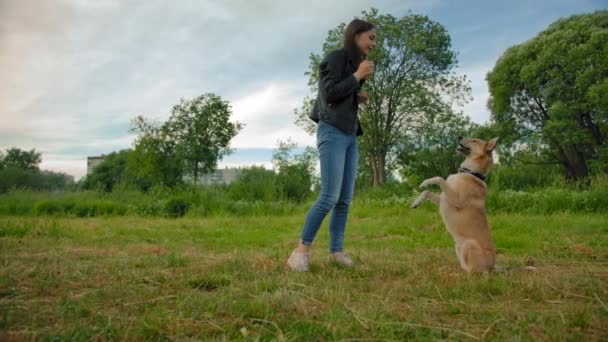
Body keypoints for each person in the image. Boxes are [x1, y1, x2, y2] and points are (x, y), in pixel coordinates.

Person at [287, 18, 377, 272]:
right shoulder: (336, 57)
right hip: (332, 131)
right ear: (356, 35)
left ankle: (336, 252)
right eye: (370, 37)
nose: (374, 43)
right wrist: (358, 76)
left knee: (344, 200)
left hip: (349, 134)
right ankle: (300, 253)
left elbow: (341, 94)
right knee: (329, 196)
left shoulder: (354, 64)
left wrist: (357, 96)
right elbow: (329, 93)